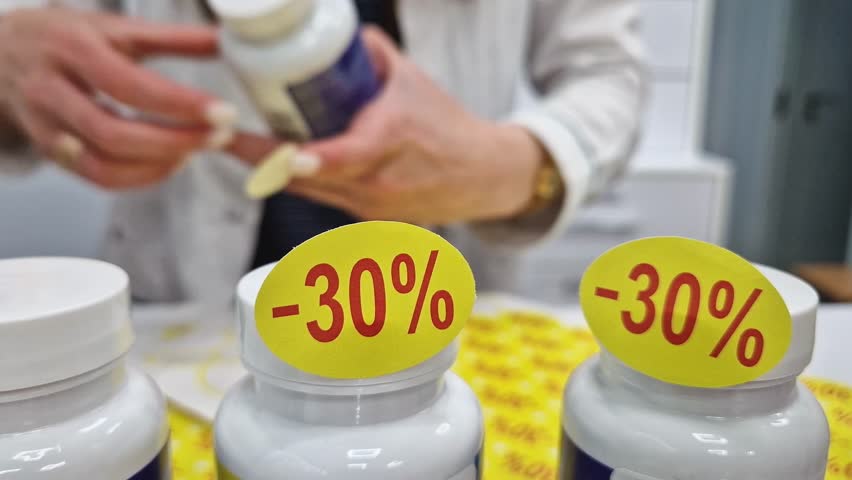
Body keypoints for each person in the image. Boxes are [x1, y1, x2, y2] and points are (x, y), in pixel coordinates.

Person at [0, 0, 646, 312]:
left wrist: (509, 166)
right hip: (179, 301)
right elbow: (47, 45)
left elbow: (609, 70)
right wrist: (12, 62)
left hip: (435, 305)